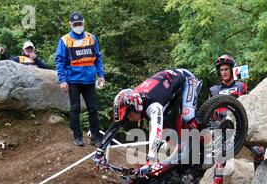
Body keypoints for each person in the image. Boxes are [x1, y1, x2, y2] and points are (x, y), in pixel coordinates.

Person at [93, 68, 201, 168]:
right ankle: (182, 150)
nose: (129, 119)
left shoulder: (153, 105)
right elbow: (114, 127)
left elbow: (155, 133)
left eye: (129, 116)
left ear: (135, 108)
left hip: (186, 79)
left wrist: (150, 160)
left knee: (187, 116)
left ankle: (204, 136)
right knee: (167, 132)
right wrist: (99, 152)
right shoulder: (132, 101)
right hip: (171, 88)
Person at [209, 54, 265, 184]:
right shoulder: (214, 90)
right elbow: (210, 112)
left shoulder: (242, 86)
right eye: (221, 69)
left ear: (232, 70)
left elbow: (250, 104)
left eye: (226, 69)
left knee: (259, 150)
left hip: (242, 125)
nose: (224, 72)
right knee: (221, 157)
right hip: (225, 127)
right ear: (219, 71)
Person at [55, 12, 106, 147]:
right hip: (73, 80)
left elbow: (98, 58)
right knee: (75, 108)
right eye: (75, 24)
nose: (78, 26)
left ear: (83, 23)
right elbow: (59, 61)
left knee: (93, 109)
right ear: (71, 25)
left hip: (89, 80)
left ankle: (95, 136)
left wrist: (101, 75)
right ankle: (77, 136)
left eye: (80, 24)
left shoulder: (91, 38)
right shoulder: (65, 40)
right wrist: (62, 80)